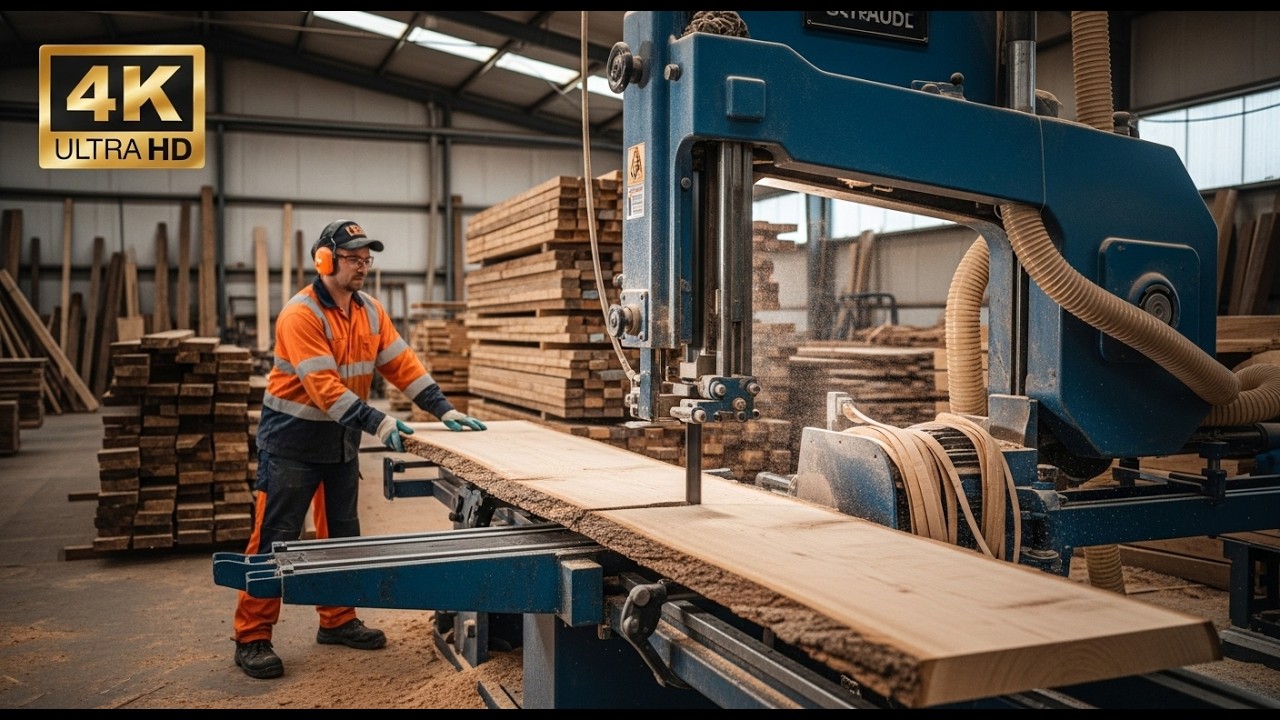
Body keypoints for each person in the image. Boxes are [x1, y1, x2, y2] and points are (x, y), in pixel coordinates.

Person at [231, 219, 487, 679]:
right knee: (274, 540)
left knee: (343, 539)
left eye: (367, 258)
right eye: (353, 257)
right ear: (324, 260)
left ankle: (337, 619)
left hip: (339, 444)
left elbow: (401, 364)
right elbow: (325, 389)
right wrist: (380, 422)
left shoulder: (369, 310)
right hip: (290, 445)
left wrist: (442, 408)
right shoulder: (300, 314)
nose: (363, 265)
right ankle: (252, 635)